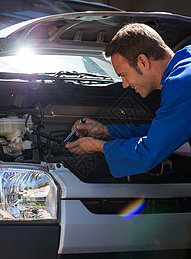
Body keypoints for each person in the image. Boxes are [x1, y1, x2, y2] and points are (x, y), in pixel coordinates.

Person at [65, 23, 191, 178]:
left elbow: (148, 153)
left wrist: (98, 146)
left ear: (143, 62)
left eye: (123, 75)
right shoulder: (187, 61)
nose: (124, 85)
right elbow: (166, 130)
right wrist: (107, 131)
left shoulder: (181, 84)